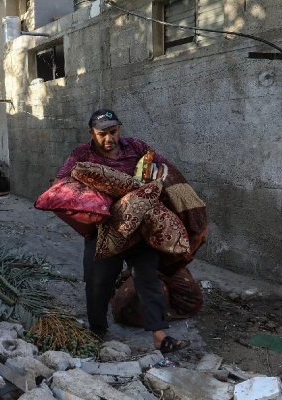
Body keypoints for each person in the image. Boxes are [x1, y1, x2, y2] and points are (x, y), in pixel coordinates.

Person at [55, 109, 190, 354]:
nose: (109, 139)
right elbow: (61, 183)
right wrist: (92, 200)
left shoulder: (137, 148)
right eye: (102, 134)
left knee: (148, 277)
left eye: (113, 132)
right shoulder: (81, 154)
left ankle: (160, 335)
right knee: (97, 281)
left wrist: (157, 183)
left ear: (120, 130)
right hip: (104, 229)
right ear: (91, 134)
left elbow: (163, 167)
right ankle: (97, 330)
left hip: (140, 228)